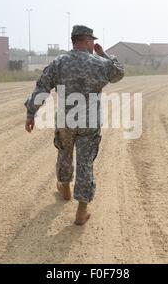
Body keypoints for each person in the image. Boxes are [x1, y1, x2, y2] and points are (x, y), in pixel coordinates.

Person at [24, 25, 124, 225]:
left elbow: (42, 86)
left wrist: (31, 112)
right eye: (92, 41)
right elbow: (118, 73)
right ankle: (81, 211)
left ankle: (65, 189)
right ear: (86, 40)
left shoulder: (59, 62)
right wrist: (103, 54)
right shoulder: (99, 63)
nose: (93, 44)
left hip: (66, 121)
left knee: (64, 153)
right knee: (85, 163)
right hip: (89, 123)